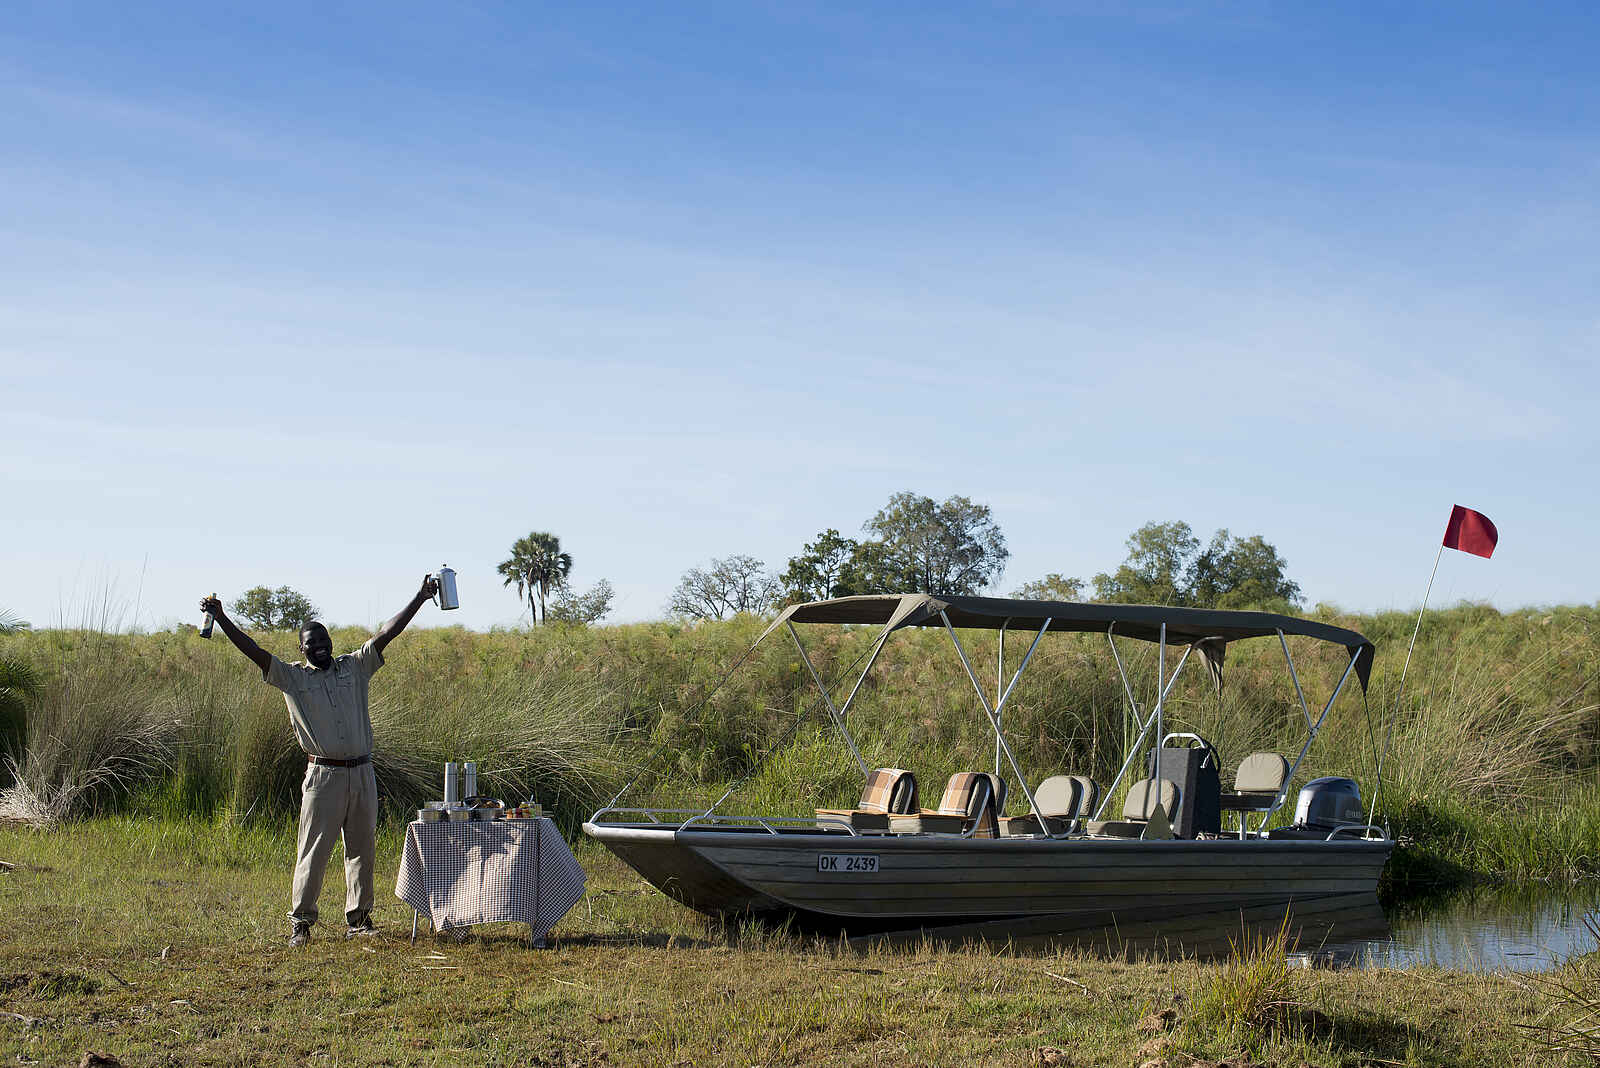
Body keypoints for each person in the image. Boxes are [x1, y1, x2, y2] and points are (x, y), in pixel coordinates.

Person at [200, 576, 439, 946]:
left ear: (331, 642)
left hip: (362, 773)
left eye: (324, 640)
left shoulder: (355, 666)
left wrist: (421, 598)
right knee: (313, 852)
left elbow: (387, 633)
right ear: (302, 648)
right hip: (323, 777)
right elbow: (254, 651)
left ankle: (359, 920)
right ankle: (301, 923)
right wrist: (222, 618)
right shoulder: (292, 678)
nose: (320, 647)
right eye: (312, 643)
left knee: (362, 850)